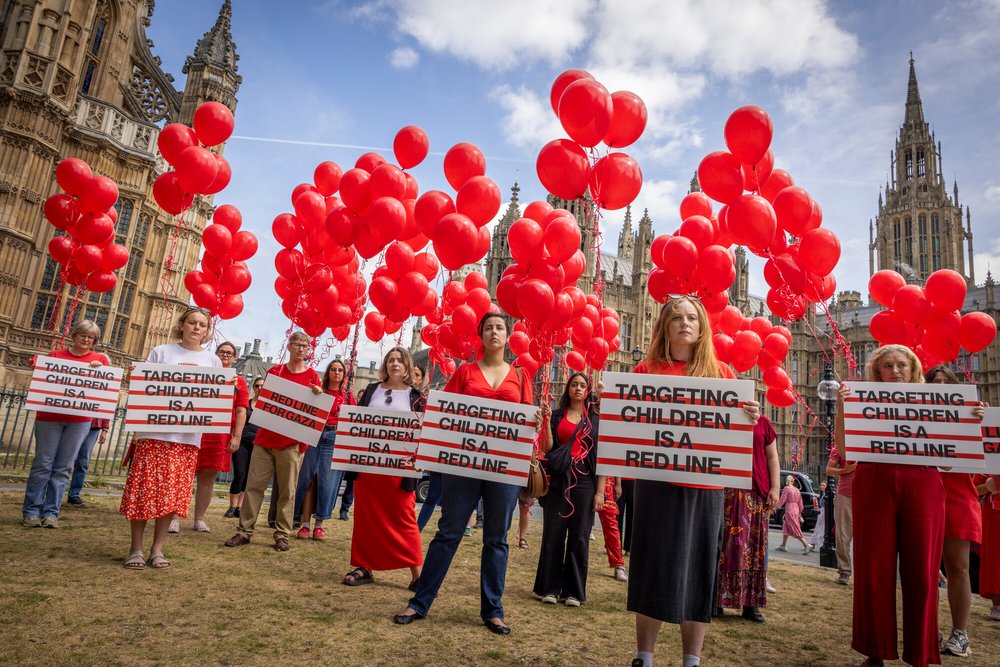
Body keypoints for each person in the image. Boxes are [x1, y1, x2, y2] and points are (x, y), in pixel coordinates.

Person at [627, 296, 760, 667]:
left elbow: (733, 435)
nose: (684, 324)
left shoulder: (721, 376)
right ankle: (644, 656)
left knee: (699, 567)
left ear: (702, 327)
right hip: (657, 483)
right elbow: (632, 428)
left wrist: (749, 416)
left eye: (692, 318)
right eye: (676, 318)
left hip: (705, 486)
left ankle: (692, 659)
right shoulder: (645, 372)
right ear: (664, 326)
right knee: (652, 563)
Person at [393, 312, 544, 635]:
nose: (494, 332)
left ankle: (493, 609)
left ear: (507, 336)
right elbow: (446, 413)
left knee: (496, 539)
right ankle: (420, 602)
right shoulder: (465, 372)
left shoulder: (520, 376)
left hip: (503, 469)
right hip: (463, 466)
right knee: (448, 532)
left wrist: (535, 420)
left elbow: (528, 427)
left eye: (499, 328)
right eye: (488, 328)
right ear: (482, 336)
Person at [835, 344, 985, 667]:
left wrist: (971, 420)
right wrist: (840, 409)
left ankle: (921, 653)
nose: (895, 370)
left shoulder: (934, 404)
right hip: (874, 483)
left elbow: (948, 464)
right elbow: (846, 449)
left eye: (901, 364)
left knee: (923, 572)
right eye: (887, 365)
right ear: (877, 373)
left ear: (913, 369)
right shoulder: (863, 403)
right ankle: (875, 650)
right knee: (874, 569)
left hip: (924, 486)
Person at [119, 308, 220, 569]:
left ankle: (157, 549)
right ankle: (136, 549)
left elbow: (215, 400)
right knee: (144, 492)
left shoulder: (213, 361)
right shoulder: (161, 352)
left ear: (207, 331)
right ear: (182, 325)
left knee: (171, 496)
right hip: (153, 434)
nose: (197, 328)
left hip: (186, 438)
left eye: (202, 324)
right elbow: (144, 390)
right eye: (192, 322)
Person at [224, 332, 321, 552]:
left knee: (287, 491)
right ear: (289, 346)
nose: (301, 349)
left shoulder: (313, 376)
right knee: (254, 487)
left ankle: (282, 534)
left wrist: (318, 393)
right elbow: (265, 402)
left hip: (292, 443)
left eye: (305, 346)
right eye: (297, 344)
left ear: (308, 350)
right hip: (265, 439)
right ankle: (244, 531)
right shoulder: (275, 372)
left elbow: (314, 411)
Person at [342, 347, 424, 588]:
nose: (395, 364)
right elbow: (356, 423)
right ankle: (363, 567)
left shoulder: (416, 397)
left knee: (404, 516)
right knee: (366, 516)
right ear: (385, 365)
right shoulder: (370, 390)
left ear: (407, 365)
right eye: (391, 360)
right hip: (368, 466)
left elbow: (421, 434)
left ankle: (417, 574)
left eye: (400, 360)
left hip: (399, 469)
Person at [23, 320, 110, 528]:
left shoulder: (99, 360)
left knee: (64, 467)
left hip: (79, 420)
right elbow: (39, 367)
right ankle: (31, 511)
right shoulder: (55, 356)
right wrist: (36, 363)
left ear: (95, 341)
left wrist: (100, 371)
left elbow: (105, 388)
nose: (86, 339)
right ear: (74, 335)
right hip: (49, 417)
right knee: (43, 464)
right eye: (83, 335)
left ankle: (51, 512)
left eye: (91, 337)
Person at [926, 365, 983, 657]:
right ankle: (928, 630)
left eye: (945, 382)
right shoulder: (917, 416)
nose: (939, 386)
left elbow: (985, 455)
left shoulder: (972, 417)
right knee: (926, 571)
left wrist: (980, 421)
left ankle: (960, 634)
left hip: (958, 495)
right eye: (933, 382)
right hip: (924, 495)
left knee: (959, 568)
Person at [533, 372, 601, 607]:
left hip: (585, 482)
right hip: (560, 478)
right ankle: (549, 588)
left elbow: (603, 458)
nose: (578, 388)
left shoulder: (594, 420)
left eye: (583, 385)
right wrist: (547, 421)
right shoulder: (558, 414)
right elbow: (548, 448)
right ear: (568, 388)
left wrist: (600, 492)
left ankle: (573, 591)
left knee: (580, 536)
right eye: (574, 385)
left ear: (588, 390)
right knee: (554, 533)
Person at [172, 341, 248, 533]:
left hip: (219, 435)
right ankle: (174, 517)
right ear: (215, 355)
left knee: (208, 477)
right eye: (222, 352)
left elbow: (240, 411)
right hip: (193, 430)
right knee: (184, 475)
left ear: (235, 357)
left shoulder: (239, 382)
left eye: (230, 353)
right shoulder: (202, 373)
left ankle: (199, 519)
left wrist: (236, 437)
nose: (225, 356)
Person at [717, 416, 780, 623]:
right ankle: (717, 600)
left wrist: (775, 487)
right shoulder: (722, 416)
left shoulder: (763, 423)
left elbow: (772, 457)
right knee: (725, 547)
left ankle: (750, 604)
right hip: (726, 490)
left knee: (754, 549)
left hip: (755, 492)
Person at [295, 359, 355, 540]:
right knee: (309, 481)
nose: (337, 373)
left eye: (340, 370)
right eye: (333, 369)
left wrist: (345, 412)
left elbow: (353, 419)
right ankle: (304, 524)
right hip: (315, 435)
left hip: (333, 438)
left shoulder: (347, 396)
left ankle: (319, 525)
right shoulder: (317, 391)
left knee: (327, 483)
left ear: (344, 375)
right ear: (328, 372)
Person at [225, 377, 264, 518]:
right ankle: (232, 506)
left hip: (258, 444)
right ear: (253, 388)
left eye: (262, 386)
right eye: (257, 386)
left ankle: (240, 507)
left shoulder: (267, 407)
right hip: (242, 442)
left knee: (248, 476)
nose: (260, 388)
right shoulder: (246, 404)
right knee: (239, 473)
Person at [826, 438, 856, 585]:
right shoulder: (841, 447)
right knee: (843, 535)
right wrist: (845, 471)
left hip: (869, 495)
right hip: (846, 495)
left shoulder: (870, 445)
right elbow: (829, 469)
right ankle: (844, 571)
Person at [975, 474, 1000, 621]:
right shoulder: (990, 457)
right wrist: (988, 485)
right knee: (994, 558)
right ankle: (997, 605)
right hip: (993, 514)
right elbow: (974, 489)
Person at [776, 476, 811, 554]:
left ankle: (806, 544)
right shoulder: (797, 490)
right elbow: (800, 502)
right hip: (796, 509)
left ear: (789, 481)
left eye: (787, 480)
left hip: (789, 509)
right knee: (786, 525)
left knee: (794, 528)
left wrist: (777, 506)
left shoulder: (786, 488)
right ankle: (783, 545)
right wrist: (800, 512)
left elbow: (783, 499)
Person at [808, 481, 828, 549]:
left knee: (821, 528)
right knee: (818, 527)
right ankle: (812, 542)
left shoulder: (826, 495)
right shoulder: (823, 494)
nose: (822, 486)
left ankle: (816, 543)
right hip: (822, 511)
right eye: (821, 485)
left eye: (824, 485)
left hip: (824, 512)